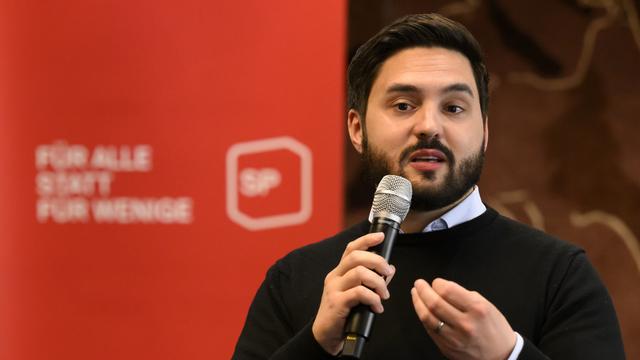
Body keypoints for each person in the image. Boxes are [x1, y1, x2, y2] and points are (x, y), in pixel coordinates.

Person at [232, 13, 625, 359]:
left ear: (484, 131)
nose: (429, 126)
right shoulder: (297, 278)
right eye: (404, 105)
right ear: (357, 128)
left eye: (453, 108)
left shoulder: (560, 276)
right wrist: (316, 344)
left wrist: (508, 356)